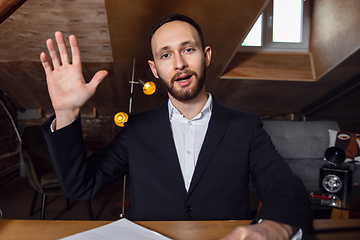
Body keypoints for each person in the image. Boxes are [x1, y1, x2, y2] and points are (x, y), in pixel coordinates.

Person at [40, 14, 313, 239]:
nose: (180, 63)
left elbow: (283, 185)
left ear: (206, 56)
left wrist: (275, 226)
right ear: (155, 68)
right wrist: (66, 113)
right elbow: (81, 186)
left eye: (188, 49)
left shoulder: (245, 125)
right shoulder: (137, 129)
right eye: (166, 55)